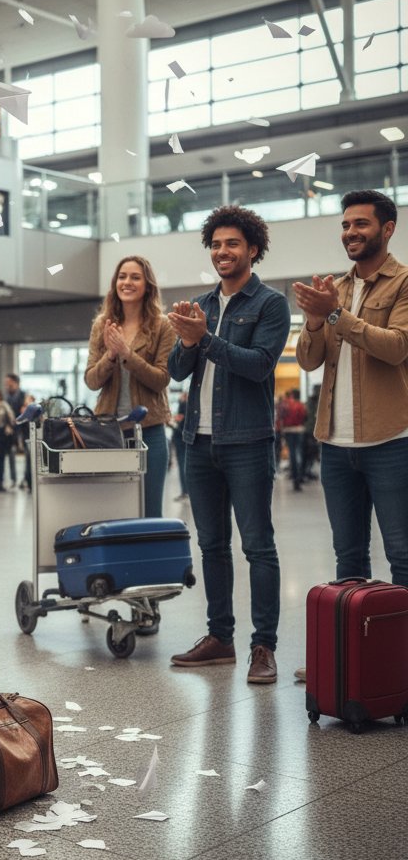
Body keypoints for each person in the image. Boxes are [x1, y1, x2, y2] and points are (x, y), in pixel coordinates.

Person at [167, 206, 291, 685]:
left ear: (253, 249)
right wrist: (187, 338)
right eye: (216, 244)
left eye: (232, 244)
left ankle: (264, 646)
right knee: (212, 545)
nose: (223, 252)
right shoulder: (202, 304)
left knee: (258, 547)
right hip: (198, 442)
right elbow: (179, 370)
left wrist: (206, 339)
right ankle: (220, 638)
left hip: (247, 442)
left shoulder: (270, 304)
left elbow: (259, 364)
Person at [292, 189, 408, 681]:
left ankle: (401, 659)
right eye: (345, 225)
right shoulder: (333, 287)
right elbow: (307, 359)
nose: (350, 233)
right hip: (336, 444)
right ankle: (350, 656)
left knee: (402, 553)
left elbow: (396, 347)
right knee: (349, 556)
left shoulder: (403, 283)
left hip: (391, 439)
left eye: (361, 224)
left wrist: (337, 316)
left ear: (387, 228)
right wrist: (318, 318)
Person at [84, 256, 174, 518]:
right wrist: (110, 356)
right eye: (122, 276)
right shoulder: (103, 324)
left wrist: (127, 354)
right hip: (108, 432)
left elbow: (162, 379)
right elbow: (91, 380)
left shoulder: (162, 325)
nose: (127, 282)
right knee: (112, 511)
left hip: (150, 432)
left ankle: (148, 559)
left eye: (135, 277)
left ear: (148, 285)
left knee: (149, 511)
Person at [279, 388, 308, 490]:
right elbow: (305, 417)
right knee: (299, 453)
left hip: (288, 431)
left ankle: (294, 477)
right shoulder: (301, 405)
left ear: (291, 395)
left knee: (292, 454)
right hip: (299, 430)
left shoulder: (286, 404)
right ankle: (300, 477)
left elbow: (281, 416)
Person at [3, 373, 26, 486]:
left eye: (9, 384)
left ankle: (25, 479)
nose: (7, 386)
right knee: (11, 455)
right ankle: (13, 479)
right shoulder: (6, 397)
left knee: (27, 456)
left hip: (23, 430)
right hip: (12, 431)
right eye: (6, 384)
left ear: (16, 383)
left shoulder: (24, 396)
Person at [172, 391, 189, 501]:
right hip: (183, 437)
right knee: (184, 463)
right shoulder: (190, 404)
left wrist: (173, 422)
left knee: (183, 463)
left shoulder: (184, 404)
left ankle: (185, 491)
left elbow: (180, 418)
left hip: (180, 436)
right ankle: (186, 491)